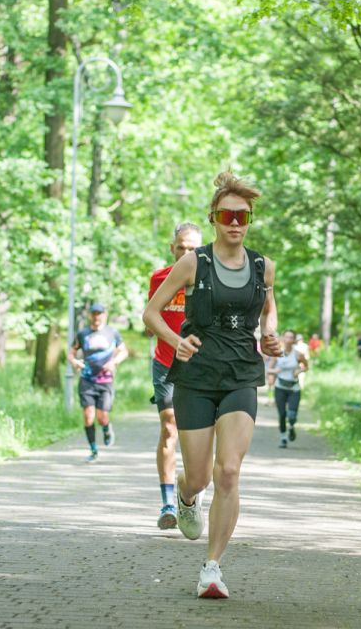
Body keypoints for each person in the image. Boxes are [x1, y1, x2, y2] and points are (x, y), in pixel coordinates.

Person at [143, 171, 282, 599]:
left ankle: (212, 568)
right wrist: (175, 340)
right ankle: (186, 494)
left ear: (250, 219)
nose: (235, 222)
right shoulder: (193, 263)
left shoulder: (264, 266)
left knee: (229, 472)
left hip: (242, 373)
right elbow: (151, 313)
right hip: (198, 377)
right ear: (214, 218)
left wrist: (272, 335)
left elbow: (269, 311)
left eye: (243, 216)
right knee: (201, 475)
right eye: (227, 215)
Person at [147, 222, 203, 530]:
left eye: (192, 248)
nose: (185, 252)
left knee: (198, 434)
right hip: (166, 363)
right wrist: (173, 339)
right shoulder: (159, 278)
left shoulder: (208, 277)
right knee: (169, 427)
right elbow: (151, 318)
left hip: (200, 366)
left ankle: (192, 490)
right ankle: (168, 502)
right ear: (172, 248)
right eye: (181, 247)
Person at [67, 302, 128, 463]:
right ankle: (93, 450)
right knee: (88, 417)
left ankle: (107, 429)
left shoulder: (112, 333)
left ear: (104, 315)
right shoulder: (83, 334)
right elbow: (71, 353)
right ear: (90, 315)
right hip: (87, 379)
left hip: (105, 381)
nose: (96, 316)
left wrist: (114, 362)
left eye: (99, 313)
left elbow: (124, 351)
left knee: (102, 417)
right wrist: (75, 362)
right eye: (94, 313)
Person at [269, 329, 309, 448]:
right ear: (282, 338)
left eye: (291, 337)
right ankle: (283, 438)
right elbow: (268, 369)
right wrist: (274, 371)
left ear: (294, 340)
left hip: (294, 389)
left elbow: (306, 366)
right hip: (280, 387)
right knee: (282, 414)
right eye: (286, 337)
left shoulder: (298, 354)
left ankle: (291, 427)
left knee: (291, 415)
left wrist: (299, 370)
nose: (288, 340)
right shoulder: (277, 353)